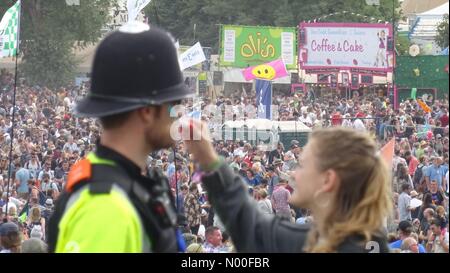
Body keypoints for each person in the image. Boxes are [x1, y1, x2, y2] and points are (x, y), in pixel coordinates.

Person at [48, 23, 193, 253]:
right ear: (147, 111)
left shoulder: (129, 184)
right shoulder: (105, 208)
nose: (180, 116)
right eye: (174, 106)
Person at [184, 125, 391, 252]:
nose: (293, 174)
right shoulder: (370, 242)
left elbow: (250, 225)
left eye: (302, 165)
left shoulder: (308, 243)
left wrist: (208, 159)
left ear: (327, 180)